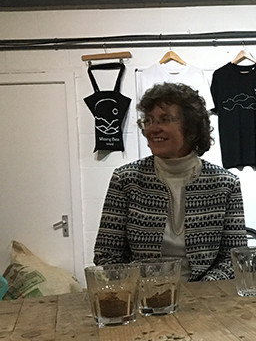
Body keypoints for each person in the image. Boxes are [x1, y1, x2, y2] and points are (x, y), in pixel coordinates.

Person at [94, 82, 247, 281]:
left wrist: (201, 289)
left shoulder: (225, 183)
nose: (153, 129)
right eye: (148, 121)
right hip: (143, 292)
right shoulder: (126, 179)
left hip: (206, 293)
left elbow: (234, 257)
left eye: (164, 120)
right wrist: (148, 287)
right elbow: (107, 255)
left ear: (191, 128)